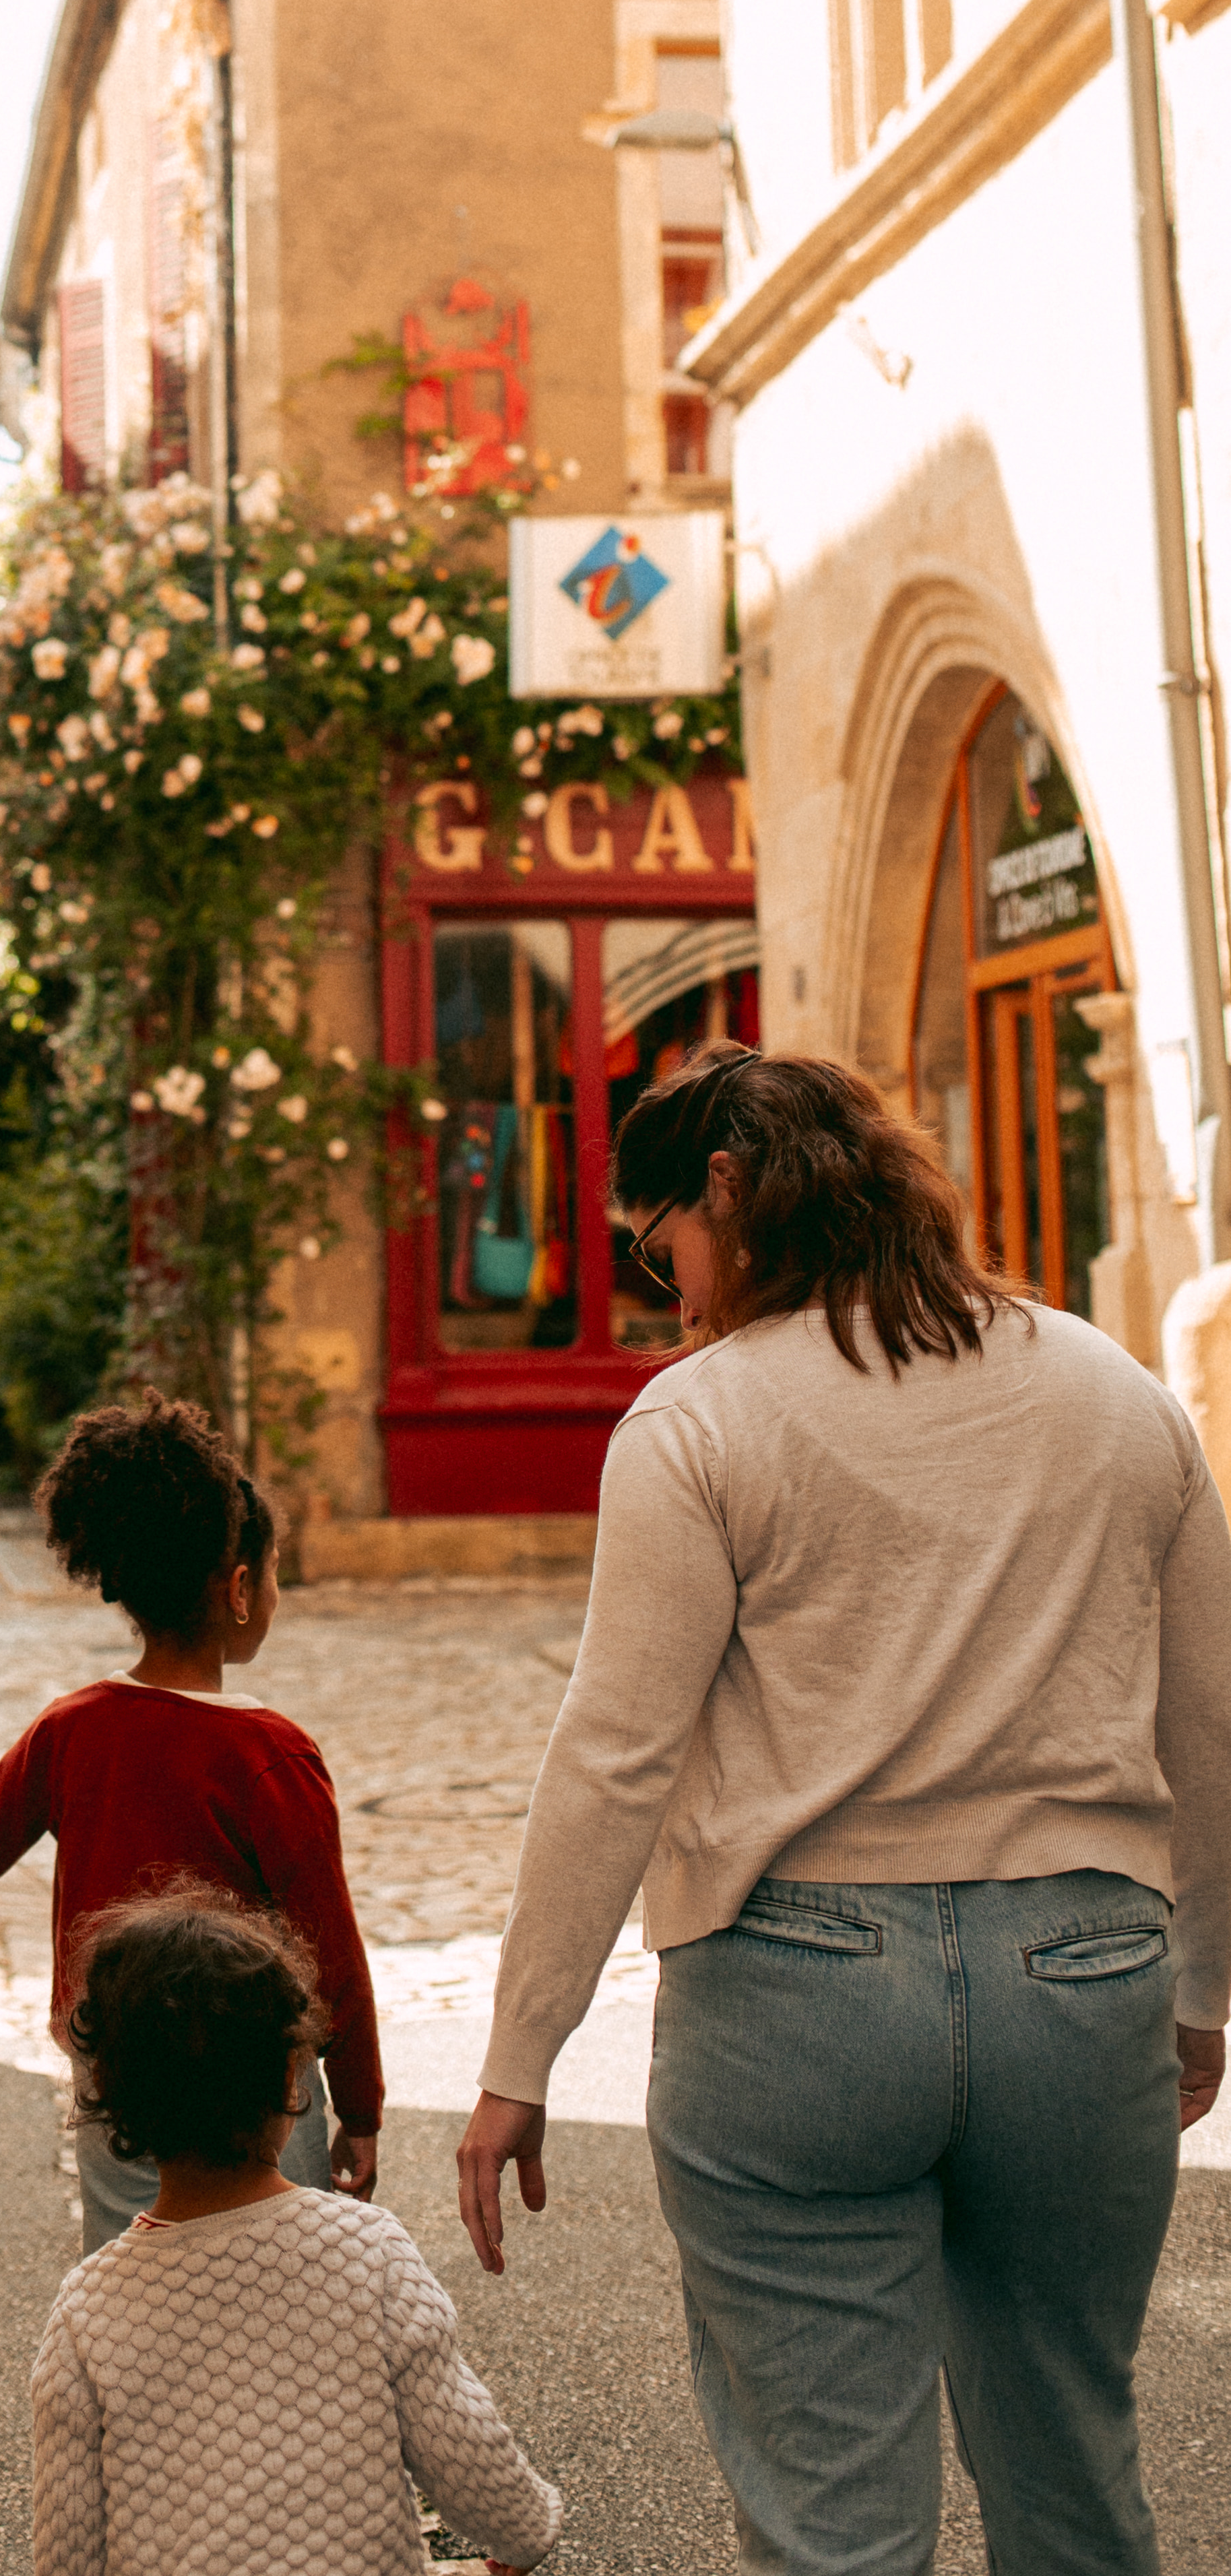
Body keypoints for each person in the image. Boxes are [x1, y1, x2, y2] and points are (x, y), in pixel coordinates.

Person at [456, 1041, 1231, 2576]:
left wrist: (517, 2057)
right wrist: (1199, 1986)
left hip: (794, 2003)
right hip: (1078, 1980)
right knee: (1076, 2482)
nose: (667, 1294)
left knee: (833, 2529)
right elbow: (1208, 1721)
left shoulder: (697, 1423)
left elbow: (612, 1755)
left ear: (728, 1192)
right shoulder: (1114, 1393)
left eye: (662, 1245)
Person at [0, 1389, 382, 2250]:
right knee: (278, 2273)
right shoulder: (271, 1755)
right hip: (259, 2075)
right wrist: (361, 2105)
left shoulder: (71, 1731)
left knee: (127, 2273)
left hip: (120, 2063)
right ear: (236, 1588)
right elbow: (329, 1950)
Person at [30, 1890, 559, 2576]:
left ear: (105, 2096)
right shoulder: (368, 2253)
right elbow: (464, 2449)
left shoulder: (87, 2311)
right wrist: (523, 2536)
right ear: (291, 2078)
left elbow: (67, 2551)